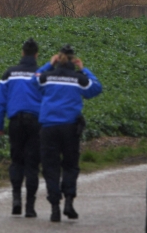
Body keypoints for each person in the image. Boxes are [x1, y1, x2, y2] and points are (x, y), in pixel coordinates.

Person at [37, 45, 102, 223]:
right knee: (70, 165)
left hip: (48, 127)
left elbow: (32, 80)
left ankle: (54, 208)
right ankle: (69, 202)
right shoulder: (78, 78)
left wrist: (48, 65)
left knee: (51, 167)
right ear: (74, 60)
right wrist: (84, 69)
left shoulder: (46, 77)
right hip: (70, 128)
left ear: (58, 59)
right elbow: (96, 88)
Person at [0, 38, 46, 218]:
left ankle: (16, 199)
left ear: (22, 53)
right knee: (32, 164)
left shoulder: (10, 73)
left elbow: (0, 102)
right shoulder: (41, 75)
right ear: (36, 55)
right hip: (36, 123)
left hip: (15, 122)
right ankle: (30, 206)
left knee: (16, 161)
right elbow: (49, 101)